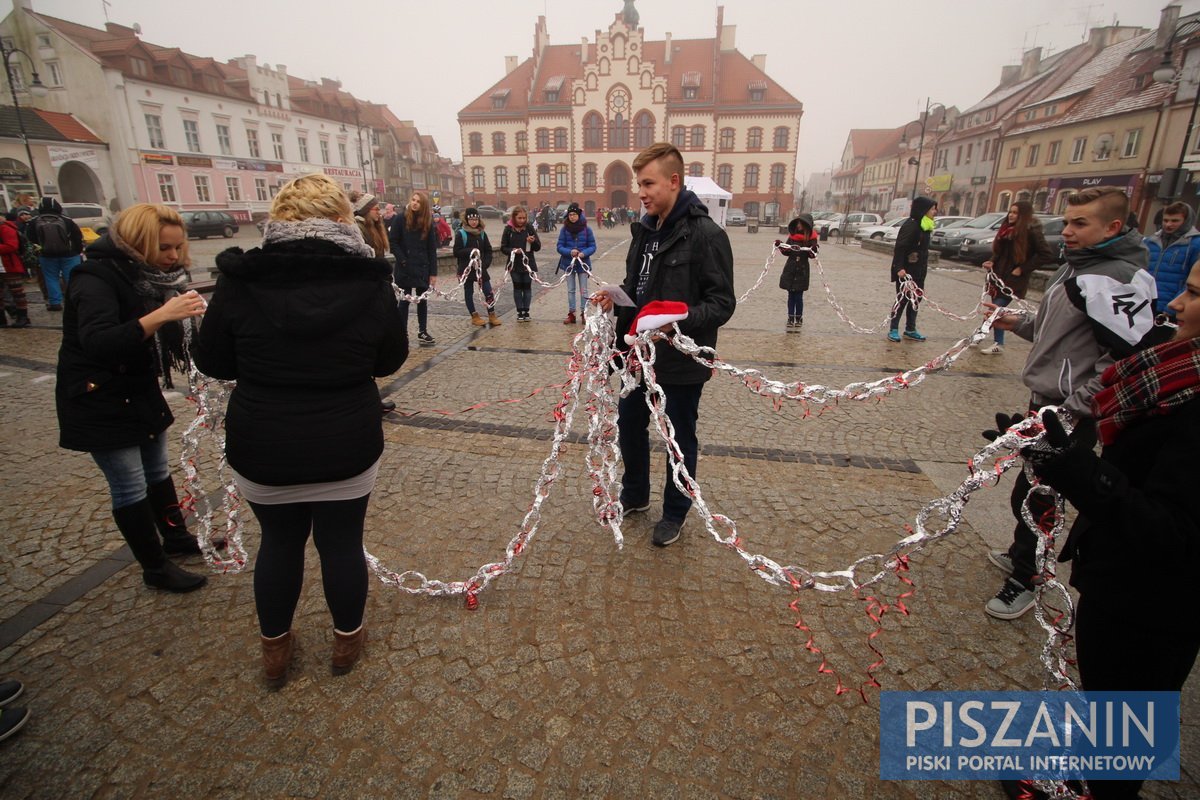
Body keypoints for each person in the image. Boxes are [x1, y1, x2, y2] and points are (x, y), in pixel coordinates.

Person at [194, 173, 407, 683]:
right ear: (342, 220)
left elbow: (214, 359)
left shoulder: (241, 279)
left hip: (263, 440)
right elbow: (390, 357)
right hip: (345, 439)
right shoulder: (368, 279)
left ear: (279, 222)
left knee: (279, 543)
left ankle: (276, 651)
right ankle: (345, 642)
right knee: (341, 542)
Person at [1018, 260, 1200, 800]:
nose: (1175, 304)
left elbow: (1175, 531)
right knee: (1113, 703)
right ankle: (1085, 774)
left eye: (1192, 293)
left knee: (1131, 705)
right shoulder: (1177, 374)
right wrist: (1063, 456)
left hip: (1156, 600)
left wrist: (1082, 473)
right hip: (1128, 583)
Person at [982, 186, 1159, 620]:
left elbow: (1121, 358)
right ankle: (1023, 553)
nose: (1067, 232)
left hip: (1069, 410)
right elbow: (1054, 330)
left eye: (1080, 223)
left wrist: (1075, 407)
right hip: (1047, 400)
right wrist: (1018, 323)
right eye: (1066, 222)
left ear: (1113, 227)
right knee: (1030, 486)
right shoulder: (1076, 267)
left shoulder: (1117, 278)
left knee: (1043, 495)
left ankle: (1027, 577)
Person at [55, 203, 209, 592]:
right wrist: (162, 315)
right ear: (139, 244)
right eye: (164, 248)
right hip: (100, 398)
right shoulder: (94, 277)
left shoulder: (147, 277)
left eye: (178, 247)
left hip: (138, 389)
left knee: (158, 473)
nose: (173, 257)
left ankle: (175, 539)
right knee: (129, 486)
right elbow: (99, 342)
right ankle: (154, 567)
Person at [595, 142, 736, 547]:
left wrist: (678, 322)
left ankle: (674, 512)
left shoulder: (707, 235)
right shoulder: (644, 231)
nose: (641, 192)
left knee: (677, 437)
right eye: (639, 183)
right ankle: (636, 494)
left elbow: (722, 303)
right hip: (638, 355)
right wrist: (615, 296)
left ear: (674, 182)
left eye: (648, 183)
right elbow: (638, 288)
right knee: (629, 424)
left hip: (680, 360)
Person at [980, 201, 1054, 354]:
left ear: (1023, 216)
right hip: (998, 276)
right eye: (1010, 212)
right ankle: (981, 334)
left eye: (1015, 213)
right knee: (995, 307)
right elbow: (1000, 252)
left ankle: (998, 344)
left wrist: (1022, 269)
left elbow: (1045, 254)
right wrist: (991, 261)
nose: (1011, 215)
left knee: (998, 309)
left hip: (1013, 280)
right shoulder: (1005, 229)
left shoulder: (1031, 231)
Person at [389, 191, 439, 347]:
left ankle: (422, 331)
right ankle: (402, 332)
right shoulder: (400, 219)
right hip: (405, 267)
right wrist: (403, 260)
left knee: (422, 300)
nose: (415, 203)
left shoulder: (427, 222)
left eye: (418, 201)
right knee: (404, 301)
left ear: (423, 205)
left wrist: (433, 273)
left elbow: (432, 249)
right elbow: (393, 242)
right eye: (413, 200)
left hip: (422, 266)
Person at [888, 196, 936, 342]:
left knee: (916, 299)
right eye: (932, 209)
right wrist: (899, 267)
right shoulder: (911, 225)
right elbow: (900, 248)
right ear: (923, 209)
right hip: (906, 270)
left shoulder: (925, 225)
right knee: (902, 299)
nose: (935, 211)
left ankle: (910, 328)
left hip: (919, 270)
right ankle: (893, 328)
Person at [1143, 200, 1200, 319]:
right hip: (1144, 304)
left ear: (1186, 221)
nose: (1168, 224)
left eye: (1175, 221)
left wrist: (1171, 308)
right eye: (1165, 220)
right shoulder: (1150, 241)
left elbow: (1192, 281)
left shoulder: (1195, 244)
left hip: (1172, 308)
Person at [27, 197, 84, 312]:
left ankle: (55, 303)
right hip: (69, 254)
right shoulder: (66, 220)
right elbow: (77, 236)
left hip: (46, 254)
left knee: (51, 278)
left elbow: (30, 237)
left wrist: (41, 248)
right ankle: (75, 301)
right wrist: (77, 251)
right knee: (72, 278)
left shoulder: (34, 221)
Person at [453, 207, 499, 327]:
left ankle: (492, 314)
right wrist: (470, 251)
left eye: (476, 219)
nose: (474, 222)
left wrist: (485, 263)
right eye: (471, 219)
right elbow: (456, 252)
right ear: (466, 220)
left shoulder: (482, 233)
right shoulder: (461, 234)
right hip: (466, 269)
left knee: (488, 291)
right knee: (468, 292)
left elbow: (488, 250)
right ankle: (474, 315)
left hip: (480, 269)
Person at [556, 203, 596, 324]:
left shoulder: (586, 229)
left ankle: (584, 313)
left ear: (579, 215)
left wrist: (584, 253)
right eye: (570, 215)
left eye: (574, 214)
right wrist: (569, 252)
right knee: (571, 290)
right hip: (568, 264)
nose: (572, 217)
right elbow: (559, 246)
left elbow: (593, 246)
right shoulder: (564, 229)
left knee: (584, 290)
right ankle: (571, 313)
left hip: (583, 264)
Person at [500, 206, 541, 322]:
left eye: (524, 218)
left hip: (528, 264)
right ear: (514, 217)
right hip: (514, 264)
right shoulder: (508, 229)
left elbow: (538, 247)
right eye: (519, 218)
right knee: (517, 288)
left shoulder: (529, 228)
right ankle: (519, 311)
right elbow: (503, 247)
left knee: (527, 288)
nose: (522, 220)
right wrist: (513, 250)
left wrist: (533, 242)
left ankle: (526, 311)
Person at [778, 214, 818, 331]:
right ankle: (790, 318)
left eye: (801, 223)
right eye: (798, 223)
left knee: (799, 296)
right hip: (791, 268)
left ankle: (799, 317)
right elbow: (787, 251)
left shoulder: (811, 238)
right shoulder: (792, 236)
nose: (799, 225)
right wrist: (780, 245)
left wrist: (813, 250)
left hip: (802, 269)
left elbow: (812, 255)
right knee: (791, 295)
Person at [0, 210, 31, 328]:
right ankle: (2, 319)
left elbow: (12, 245)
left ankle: (23, 317)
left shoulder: (5, 228)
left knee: (17, 293)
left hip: (9, 265)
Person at [349, 192, 388, 258]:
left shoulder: (375, 226)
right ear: (366, 210)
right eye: (376, 209)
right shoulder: (359, 228)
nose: (379, 212)